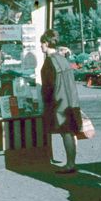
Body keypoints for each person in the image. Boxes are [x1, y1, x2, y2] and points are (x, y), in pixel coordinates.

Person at [40, 29, 81, 174]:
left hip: (59, 102)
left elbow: (48, 86)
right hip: (70, 100)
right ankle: (72, 161)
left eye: (42, 44)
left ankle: (70, 164)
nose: (41, 47)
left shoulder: (49, 61)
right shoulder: (63, 59)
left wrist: (44, 101)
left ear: (46, 43)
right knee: (71, 131)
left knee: (66, 132)